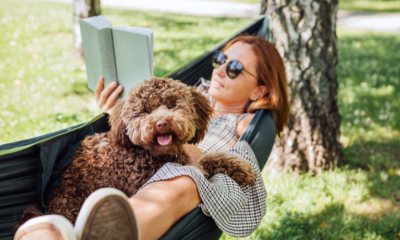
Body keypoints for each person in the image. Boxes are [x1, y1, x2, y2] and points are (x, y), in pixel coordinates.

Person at [15, 36, 289, 240]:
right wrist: (117, 111)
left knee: (181, 181)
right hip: (119, 173)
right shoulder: (187, 91)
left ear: (260, 92)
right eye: (220, 59)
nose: (219, 70)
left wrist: (188, 150)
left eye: (235, 68)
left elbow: (240, 165)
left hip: (182, 178)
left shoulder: (245, 123)